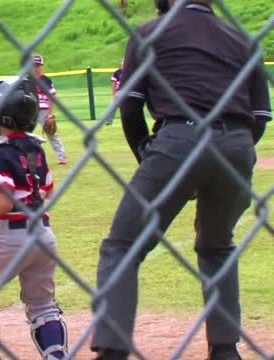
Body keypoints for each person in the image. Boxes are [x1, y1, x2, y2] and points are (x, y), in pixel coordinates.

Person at [90, 1, 271, 359]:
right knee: (217, 246)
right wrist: (230, 150)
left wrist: (151, 156)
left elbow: (130, 107)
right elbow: (260, 117)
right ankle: (224, 349)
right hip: (237, 143)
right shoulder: (243, 38)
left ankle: (112, 350)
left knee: (122, 246)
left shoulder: (148, 33)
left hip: (178, 138)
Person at [0, 77, 68, 359]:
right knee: (42, 305)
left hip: (11, 238)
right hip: (43, 234)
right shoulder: (35, 147)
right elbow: (47, 190)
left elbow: (4, 200)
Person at [32, 54, 68, 165]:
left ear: (42, 66)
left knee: (51, 133)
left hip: (44, 110)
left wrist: (50, 114)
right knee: (24, 134)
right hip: (30, 110)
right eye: (34, 65)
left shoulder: (46, 80)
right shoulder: (26, 80)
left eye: (38, 65)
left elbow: (51, 96)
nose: (36, 67)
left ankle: (61, 156)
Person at [107, 61, 124, 126]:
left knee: (127, 108)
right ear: (121, 65)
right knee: (112, 106)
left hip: (127, 93)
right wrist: (114, 94)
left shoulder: (129, 72)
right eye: (123, 64)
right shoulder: (117, 73)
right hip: (118, 93)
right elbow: (113, 83)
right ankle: (109, 121)